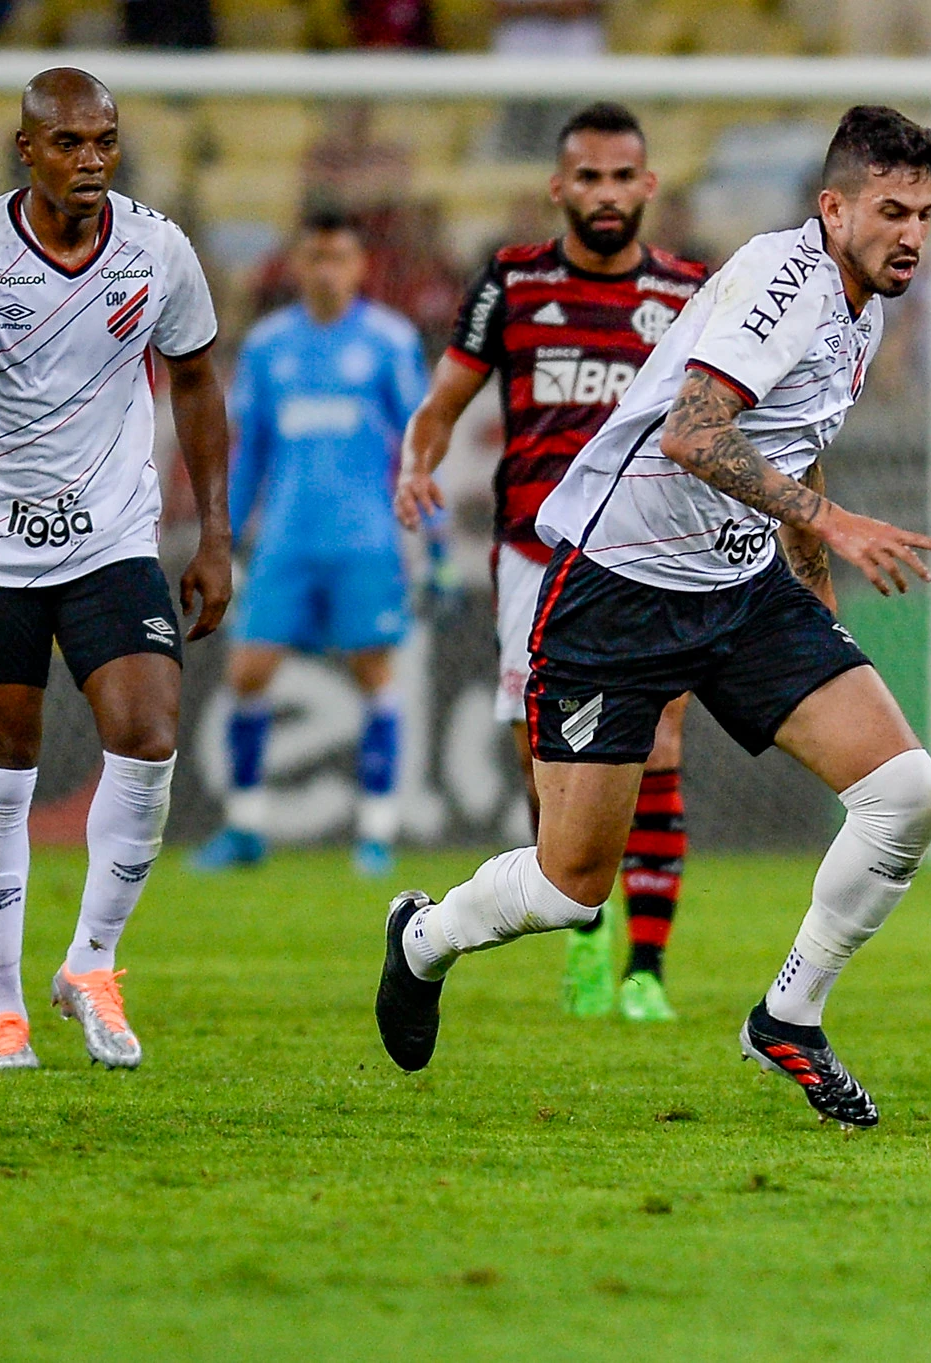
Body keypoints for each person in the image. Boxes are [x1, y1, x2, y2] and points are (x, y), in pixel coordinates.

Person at [377, 105, 931, 1130]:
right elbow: (694, 434)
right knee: (570, 887)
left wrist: (811, 582)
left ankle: (790, 1015)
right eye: (891, 210)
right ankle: (425, 937)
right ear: (833, 208)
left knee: (906, 796)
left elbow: (795, 433)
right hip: (619, 590)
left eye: (925, 214)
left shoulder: (865, 302)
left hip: (738, 588)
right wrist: (836, 522)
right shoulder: (785, 284)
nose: (911, 233)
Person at [0, 68, 229, 1071]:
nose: (90, 160)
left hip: (113, 538)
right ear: (24, 149)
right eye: (68, 143)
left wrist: (212, 534)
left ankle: (91, 964)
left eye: (104, 141)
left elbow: (197, 381)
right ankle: (0, 1009)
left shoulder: (158, 250)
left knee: (149, 734)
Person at [393, 102, 709, 1023]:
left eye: (622, 177)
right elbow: (445, 398)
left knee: (658, 746)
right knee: (551, 766)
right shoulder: (514, 281)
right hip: (534, 557)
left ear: (647, 187)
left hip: (653, 553)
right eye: (589, 177)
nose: (606, 194)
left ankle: (645, 967)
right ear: (558, 187)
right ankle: (581, 928)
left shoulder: (693, 289)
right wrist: (417, 460)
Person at [190, 211, 427, 877]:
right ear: (296, 265)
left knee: (375, 676)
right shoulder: (268, 346)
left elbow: (417, 446)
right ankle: (244, 828)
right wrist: (221, 539)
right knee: (247, 673)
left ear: (359, 266)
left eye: (339, 257)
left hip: (364, 540)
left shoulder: (388, 340)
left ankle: (375, 834)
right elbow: (250, 454)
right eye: (315, 256)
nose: (326, 269)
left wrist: (430, 543)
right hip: (285, 542)